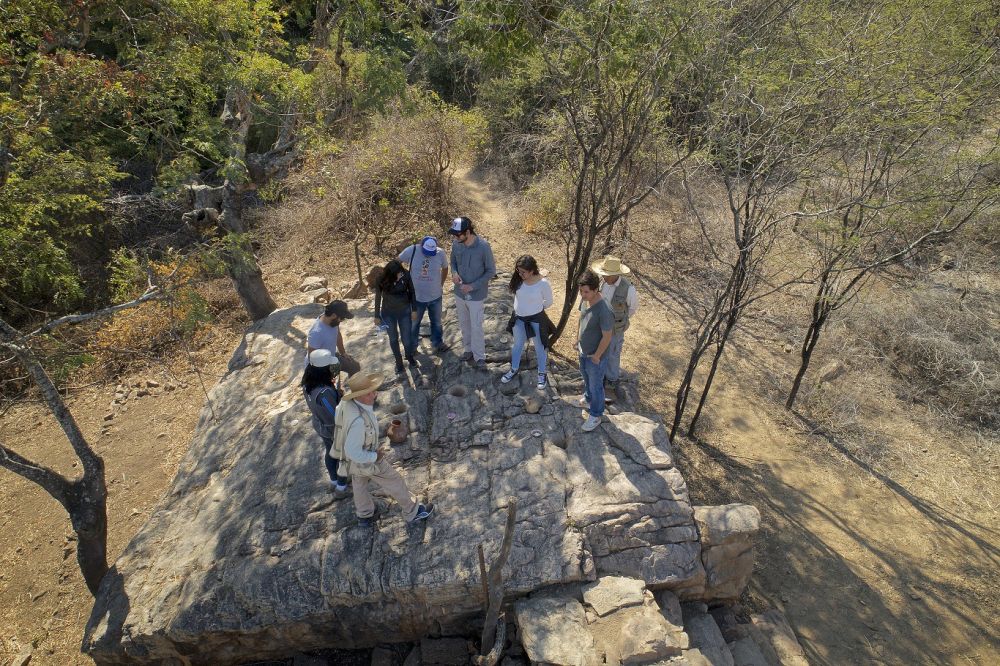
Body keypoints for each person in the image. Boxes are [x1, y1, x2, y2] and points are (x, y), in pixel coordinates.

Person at [333, 372, 433, 527]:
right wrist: (374, 456)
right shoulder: (358, 421)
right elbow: (354, 451)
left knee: (359, 483)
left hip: (351, 459)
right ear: (360, 396)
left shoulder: (345, 405)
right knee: (394, 480)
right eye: (371, 392)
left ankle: (364, 516)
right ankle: (413, 512)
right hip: (366, 458)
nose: (376, 394)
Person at [501, 255, 554, 390]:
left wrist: (535, 308)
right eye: (519, 271)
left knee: (539, 347)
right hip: (519, 319)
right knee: (517, 345)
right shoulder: (518, 279)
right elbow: (517, 296)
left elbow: (548, 302)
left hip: (536, 319)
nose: (520, 274)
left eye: (523, 272)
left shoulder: (543, 284)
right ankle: (513, 369)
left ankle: (542, 373)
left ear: (532, 271)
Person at [449, 216, 496, 368]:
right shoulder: (457, 244)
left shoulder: (483, 246)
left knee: (476, 325)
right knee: (464, 323)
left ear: (468, 232)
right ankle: (468, 349)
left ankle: (479, 357)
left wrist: (472, 286)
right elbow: (453, 262)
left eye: (458, 235)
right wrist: (454, 273)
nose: (455, 238)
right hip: (459, 293)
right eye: (454, 235)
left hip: (476, 295)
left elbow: (491, 271)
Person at [301, 349, 350, 493]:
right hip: (333, 428)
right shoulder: (324, 393)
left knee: (330, 452)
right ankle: (341, 487)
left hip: (319, 424)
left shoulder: (307, 382)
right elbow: (335, 415)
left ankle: (333, 481)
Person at [592, 256, 639, 390]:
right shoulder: (603, 283)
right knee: (599, 349)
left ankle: (611, 380)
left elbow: (632, 308)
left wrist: (620, 321)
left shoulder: (629, 289)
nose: (603, 276)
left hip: (615, 328)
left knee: (613, 352)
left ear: (615, 274)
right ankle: (599, 376)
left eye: (606, 275)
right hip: (600, 324)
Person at [577, 269, 614, 432]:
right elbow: (581, 318)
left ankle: (596, 415)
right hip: (583, 351)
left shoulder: (604, 310)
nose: (582, 294)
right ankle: (588, 398)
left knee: (596, 385)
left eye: (585, 292)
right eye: (581, 291)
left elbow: (607, 337)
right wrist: (577, 339)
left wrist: (597, 356)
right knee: (586, 379)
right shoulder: (585, 300)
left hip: (595, 356)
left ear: (595, 290)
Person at [399, 235, 450, 353]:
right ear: (421, 245)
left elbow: (445, 268)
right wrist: (403, 277)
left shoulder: (440, 253)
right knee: (414, 323)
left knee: (436, 321)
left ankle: (437, 342)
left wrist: (441, 284)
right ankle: (412, 347)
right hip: (416, 297)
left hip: (435, 296)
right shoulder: (412, 250)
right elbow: (397, 262)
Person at [374, 259, 417, 374]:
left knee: (406, 339)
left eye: (400, 272)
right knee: (393, 339)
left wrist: (414, 309)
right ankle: (399, 362)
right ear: (390, 275)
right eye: (397, 274)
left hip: (404, 311)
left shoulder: (406, 274)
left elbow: (412, 292)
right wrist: (376, 315)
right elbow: (378, 297)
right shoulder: (381, 279)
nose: (400, 274)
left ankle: (409, 356)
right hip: (388, 313)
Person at [306, 300, 361, 376]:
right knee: (330, 387)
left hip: (331, 357)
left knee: (354, 366)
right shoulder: (316, 333)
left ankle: (356, 386)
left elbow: (337, 335)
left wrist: (343, 353)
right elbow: (312, 358)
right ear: (334, 315)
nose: (342, 320)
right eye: (342, 318)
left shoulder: (332, 321)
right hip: (319, 367)